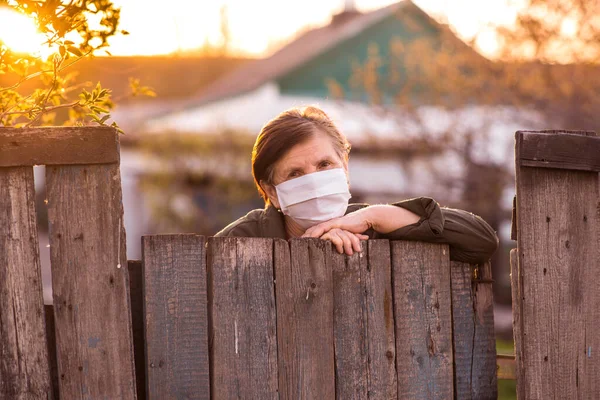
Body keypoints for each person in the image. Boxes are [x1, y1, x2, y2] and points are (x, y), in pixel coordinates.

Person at [215, 106, 498, 264]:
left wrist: (375, 216)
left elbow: (481, 242)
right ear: (272, 193)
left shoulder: (373, 227)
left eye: (324, 165)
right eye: (295, 174)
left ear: (345, 166)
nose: (313, 181)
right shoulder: (240, 241)